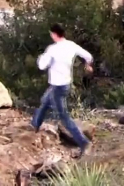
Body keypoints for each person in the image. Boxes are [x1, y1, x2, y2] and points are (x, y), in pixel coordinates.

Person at [32, 23, 93, 158]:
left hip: (57, 86)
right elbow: (88, 56)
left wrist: (40, 58)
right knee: (45, 101)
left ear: (54, 34)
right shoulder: (71, 45)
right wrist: (88, 65)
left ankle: (84, 143)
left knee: (64, 117)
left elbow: (42, 66)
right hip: (65, 84)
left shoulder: (52, 49)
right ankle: (35, 125)